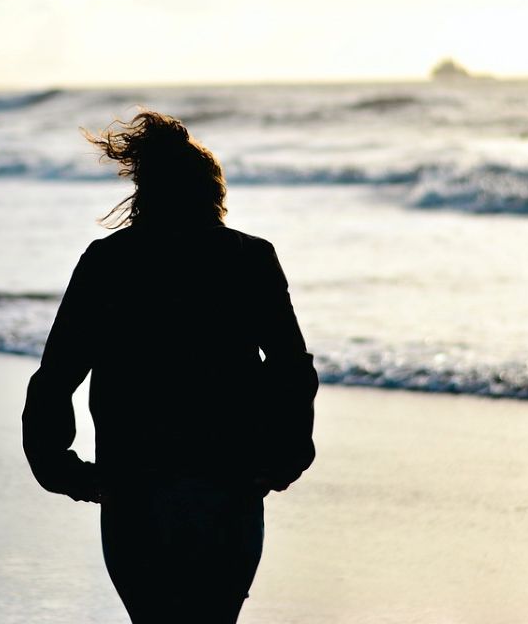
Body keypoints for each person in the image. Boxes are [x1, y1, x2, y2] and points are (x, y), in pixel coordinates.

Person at [22, 110, 318, 623]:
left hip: (134, 485)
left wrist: (64, 471)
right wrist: (284, 459)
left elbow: (57, 376)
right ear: (212, 191)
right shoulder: (250, 258)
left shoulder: (108, 262)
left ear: (143, 191)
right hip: (230, 483)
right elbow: (292, 370)